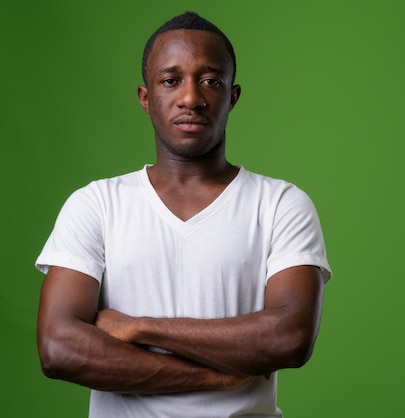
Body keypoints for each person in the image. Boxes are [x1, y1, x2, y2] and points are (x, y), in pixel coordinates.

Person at [35, 11, 331, 418]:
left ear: (233, 96)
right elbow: (59, 349)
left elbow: (290, 338)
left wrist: (140, 327)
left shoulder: (281, 203)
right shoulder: (96, 204)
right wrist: (215, 377)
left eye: (210, 80)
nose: (191, 97)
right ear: (146, 97)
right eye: (171, 80)